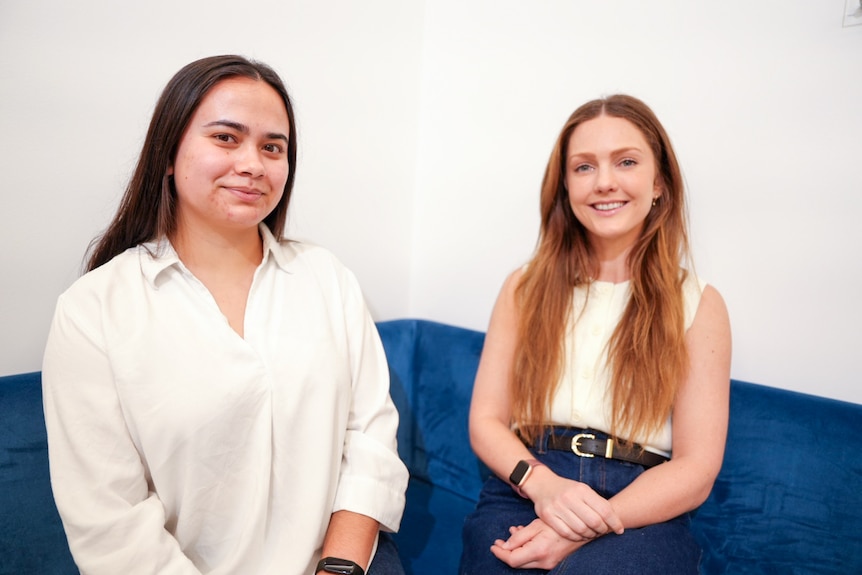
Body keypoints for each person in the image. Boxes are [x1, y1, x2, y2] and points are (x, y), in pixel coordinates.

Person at [42, 55, 408, 575]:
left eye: (272, 147)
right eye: (226, 138)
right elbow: (110, 523)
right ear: (168, 155)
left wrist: (339, 568)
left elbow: (369, 440)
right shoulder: (94, 310)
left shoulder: (328, 279)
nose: (254, 164)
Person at [459, 95, 732, 574]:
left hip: (641, 503)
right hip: (527, 484)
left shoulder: (700, 303)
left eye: (626, 161)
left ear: (659, 183)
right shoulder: (522, 289)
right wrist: (543, 487)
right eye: (584, 167)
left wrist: (585, 523)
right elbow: (486, 419)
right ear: (565, 186)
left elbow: (696, 468)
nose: (604, 181)